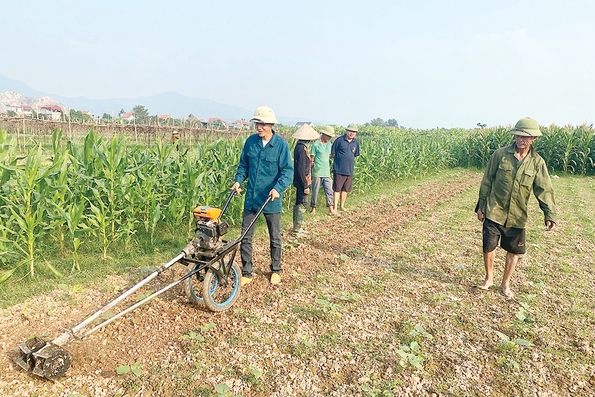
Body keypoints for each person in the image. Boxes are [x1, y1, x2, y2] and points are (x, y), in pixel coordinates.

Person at [476, 117, 556, 298]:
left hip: (517, 214)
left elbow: (544, 189)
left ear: (534, 138)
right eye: (518, 135)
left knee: (513, 250)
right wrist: (481, 206)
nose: (521, 140)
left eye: (526, 137)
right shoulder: (500, 155)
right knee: (488, 246)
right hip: (494, 209)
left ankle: (505, 284)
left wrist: (549, 213)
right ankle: (489, 278)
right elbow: (487, 180)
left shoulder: (537, 163)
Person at [231, 106, 293, 286]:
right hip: (251, 197)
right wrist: (238, 181)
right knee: (245, 237)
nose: (259, 127)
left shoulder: (281, 145)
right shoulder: (251, 142)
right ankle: (247, 272)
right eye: (257, 123)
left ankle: (275, 270)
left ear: (271, 124)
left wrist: (277, 189)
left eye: (263, 124)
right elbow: (243, 166)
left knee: (275, 237)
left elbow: (287, 172)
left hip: (271, 199)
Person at [291, 123, 320, 236]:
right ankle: (297, 229)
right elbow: (301, 169)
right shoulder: (302, 150)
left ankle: (297, 228)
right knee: (303, 203)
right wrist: (306, 186)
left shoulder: (299, 147)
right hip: (302, 181)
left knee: (299, 202)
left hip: (299, 181)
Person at [331, 123, 360, 212]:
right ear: (347, 131)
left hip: (349, 170)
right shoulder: (339, 140)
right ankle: (335, 206)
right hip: (339, 169)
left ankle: (342, 206)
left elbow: (355, 155)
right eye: (350, 131)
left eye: (354, 132)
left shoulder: (356, 143)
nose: (352, 133)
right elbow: (333, 153)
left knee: (345, 189)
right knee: (337, 189)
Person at [309, 125, 337, 215]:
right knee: (315, 191)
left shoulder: (329, 145)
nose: (329, 138)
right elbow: (311, 159)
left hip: (326, 172)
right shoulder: (316, 144)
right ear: (323, 134)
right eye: (328, 136)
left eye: (330, 136)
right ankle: (313, 208)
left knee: (329, 191)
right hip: (317, 172)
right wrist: (310, 173)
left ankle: (331, 209)